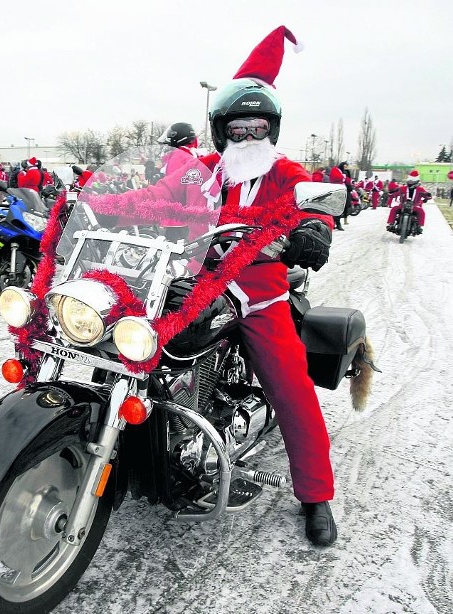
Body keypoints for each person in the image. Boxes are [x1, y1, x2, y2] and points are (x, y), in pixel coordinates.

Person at [89, 27, 337, 546]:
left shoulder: (284, 171)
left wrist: (312, 229)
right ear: (221, 130)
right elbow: (153, 195)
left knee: (291, 387)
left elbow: (309, 205)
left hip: (258, 294)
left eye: (258, 127)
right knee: (115, 338)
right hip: (189, 283)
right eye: (238, 128)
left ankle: (316, 495)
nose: (248, 137)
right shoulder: (201, 171)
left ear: (271, 130)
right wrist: (98, 203)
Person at [338, 161, 353, 226]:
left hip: (345, 190)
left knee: (344, 206)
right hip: (343, 190)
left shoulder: (345, 172)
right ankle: (342, 220)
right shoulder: (341, 172)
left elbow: (348, 182)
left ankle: (344, 220)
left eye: (346, 166)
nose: (345, 167)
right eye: (344, 166)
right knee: (342, 206)